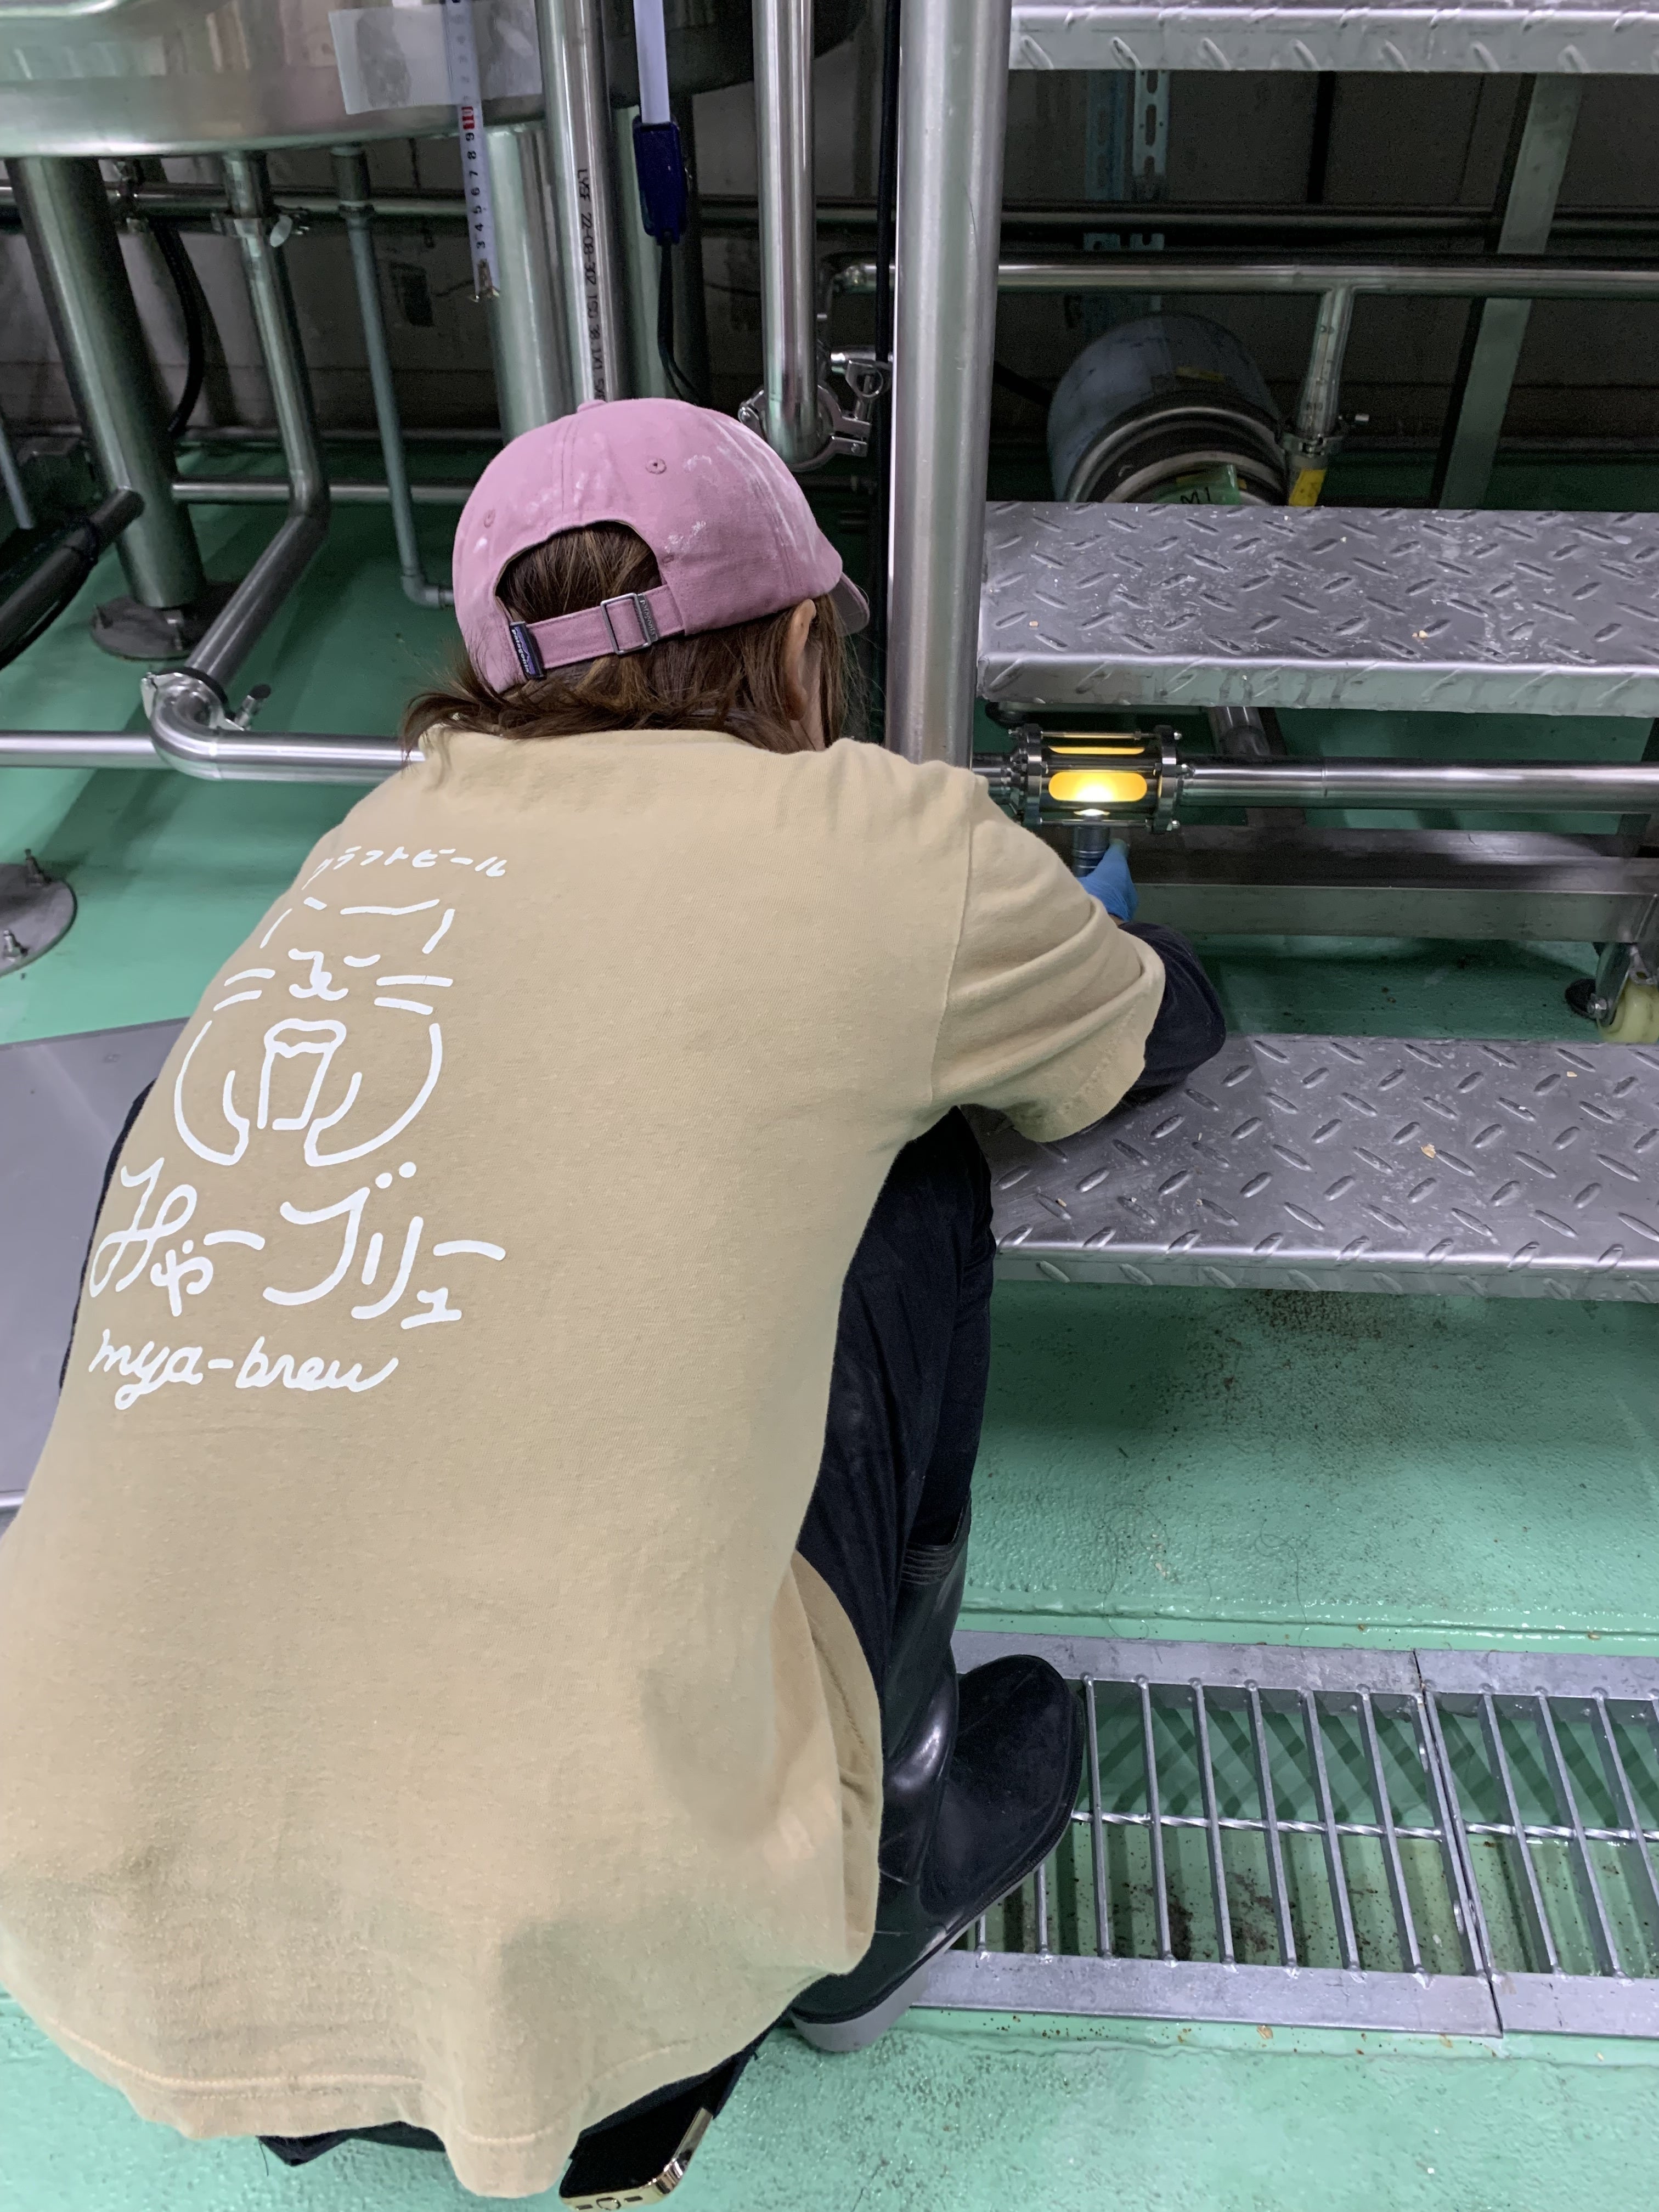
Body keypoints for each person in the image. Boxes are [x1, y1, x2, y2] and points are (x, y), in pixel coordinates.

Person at [0, 399, 1223, 2203]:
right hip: (585, 1931)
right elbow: (1142, 1037)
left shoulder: (367, 851)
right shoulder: (887, 842)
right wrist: (1083, 930)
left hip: (97, 1900)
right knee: (916, 1177)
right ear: (802, 647)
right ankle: (887, 1847)